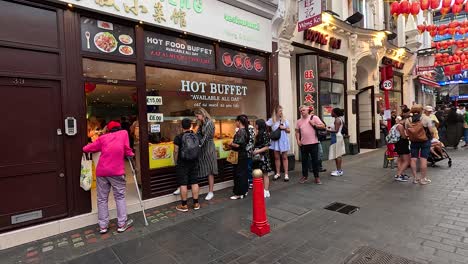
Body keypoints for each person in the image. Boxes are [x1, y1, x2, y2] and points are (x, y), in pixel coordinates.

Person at [82, 121, 134, 234]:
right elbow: (127, 149)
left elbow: (87, 149)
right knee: (119, 197)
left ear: (108, 129)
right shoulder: (124, 133)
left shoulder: (103, 138)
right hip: (116, 171)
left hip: (102, 171)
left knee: (102, 198)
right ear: (119, 128)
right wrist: (130, 154)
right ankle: (121, 224)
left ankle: (103, 226)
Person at [173, 118, 200, 212]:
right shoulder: (195, 135)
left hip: (182, 162)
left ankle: (184, 205)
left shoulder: (178, 137)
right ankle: (196, 203)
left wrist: (175, 161)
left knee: (183, 183)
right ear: (190, 126)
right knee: (194, 182)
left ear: (181, 126)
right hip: (194, 161)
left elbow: (176, 151)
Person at [295, 105, 325, 184]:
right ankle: (304, 176)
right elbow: (297, 131)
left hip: (314, 143)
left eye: (303, 110)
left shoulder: (314, 118)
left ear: (308, 110)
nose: (302, 112)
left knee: (315, 161)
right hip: (303, 144)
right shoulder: (299, 121)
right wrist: (298, 140)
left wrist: (314, 125)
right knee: (304, 161)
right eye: (301, 111)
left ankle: (317, 177)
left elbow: (323, 126)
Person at [404, 104, 434, 185]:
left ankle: (415, 178)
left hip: (413, 141)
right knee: (423, 159)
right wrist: (432, 136)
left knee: (413, 159)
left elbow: (407, 132)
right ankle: (423, 179)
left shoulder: (408, 120)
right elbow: (431, 131)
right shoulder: (426, 118)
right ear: (421, 110)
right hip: (425, 140)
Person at [266, 105, 291, 181]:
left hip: (283, 140)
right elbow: (265, 124)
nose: (281, 112)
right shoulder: (272, 120)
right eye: (280, 111)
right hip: (275, 140)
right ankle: (278, 173)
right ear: (276, 112)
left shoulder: (284, 120)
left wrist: (284, 128)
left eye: (281, 111)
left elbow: (289, 131)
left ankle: (286, 174)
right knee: (276, 158)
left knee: (284, 157)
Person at [228, 115, 250, 200]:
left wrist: (230, 143)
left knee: (238, 174)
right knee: (243, 174)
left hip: (238, 155)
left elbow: (238, 145)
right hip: (243, 155)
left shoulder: (241, 131)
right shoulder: (246, 131)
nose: (235, 123)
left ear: (239, 122)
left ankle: (239, 193)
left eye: (236, 121)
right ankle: (244, 191)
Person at [252, 119, 273, 198]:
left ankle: (266, 190)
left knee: (265, 174)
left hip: (263, 156)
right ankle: (262, 189)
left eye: (256, 124)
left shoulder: (265, 133)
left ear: (259, 125)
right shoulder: (259, 133)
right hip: (258, 157)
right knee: (259, 174)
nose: (255, 126)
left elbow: (267, 147)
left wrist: (257, 152)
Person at [327, 108, 346, 176]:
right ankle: (338, 169)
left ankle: (339, 171)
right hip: (337, 137)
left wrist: (327, 130)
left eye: (332, 112)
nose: (331, 113)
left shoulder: (337, 120)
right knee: (337, 154)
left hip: (336, 137)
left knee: (338, 155)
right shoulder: (339, 119)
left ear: (335, 113)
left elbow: (336, 131)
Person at [394, 111, 411, 182]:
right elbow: (403, 136)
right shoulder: (400, 126)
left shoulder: (397, 125)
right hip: (402, 144)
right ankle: (398, 175)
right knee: (407, 160)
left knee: (400, 159)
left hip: (398, 144)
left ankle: (401, 174)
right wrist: (407, 135)